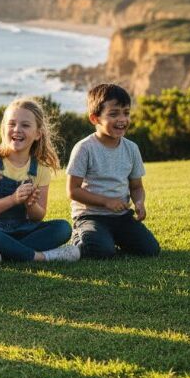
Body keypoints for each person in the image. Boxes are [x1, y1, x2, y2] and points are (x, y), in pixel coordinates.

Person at [0, 98, 78, 265]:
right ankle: (39, 256)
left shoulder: (41, 168)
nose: (17, 129)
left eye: (25, 125)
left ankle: (1, 251)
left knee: (63, 228)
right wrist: (13, 199)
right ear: (4, 128)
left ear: (38, 133)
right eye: (12, 124)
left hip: (22, 229)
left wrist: (31, 204)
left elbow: (38, 216)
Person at [67, 83, 160, 258]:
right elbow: (73, 191)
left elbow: (136, 187)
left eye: (126, 113)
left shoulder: (131, 149)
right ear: (95, 118)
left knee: (150, 250)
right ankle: (81, 237)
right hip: (91, 216)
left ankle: (108, 238)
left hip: (121, 217)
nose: (122, 119)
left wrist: (139, 202)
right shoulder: (84, 148)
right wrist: (106, 201)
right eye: (113, 114)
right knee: (101, 251)